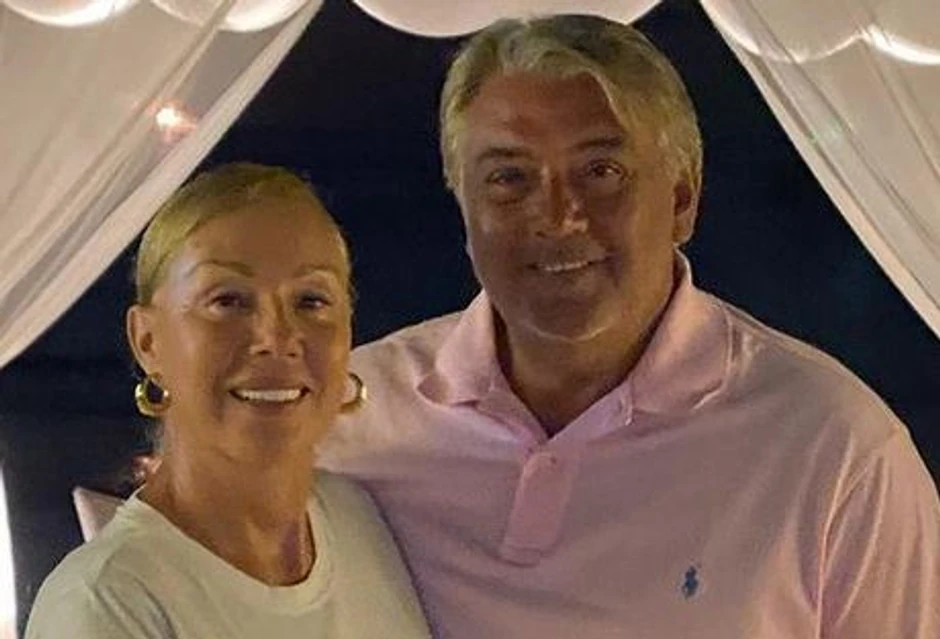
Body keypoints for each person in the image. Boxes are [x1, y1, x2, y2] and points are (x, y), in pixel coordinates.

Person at [317, 15, 940, 638]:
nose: (557, 216)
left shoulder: (835, 447)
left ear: (682, 199)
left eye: (601, 171)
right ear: (463, 204)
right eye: (509, 177)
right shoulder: (341, 416)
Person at [26, 164, 430, 639]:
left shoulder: (356, 520)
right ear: (148, 341)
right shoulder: (106, 603)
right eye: (229, 301)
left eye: (311, 301)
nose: (277, 338)